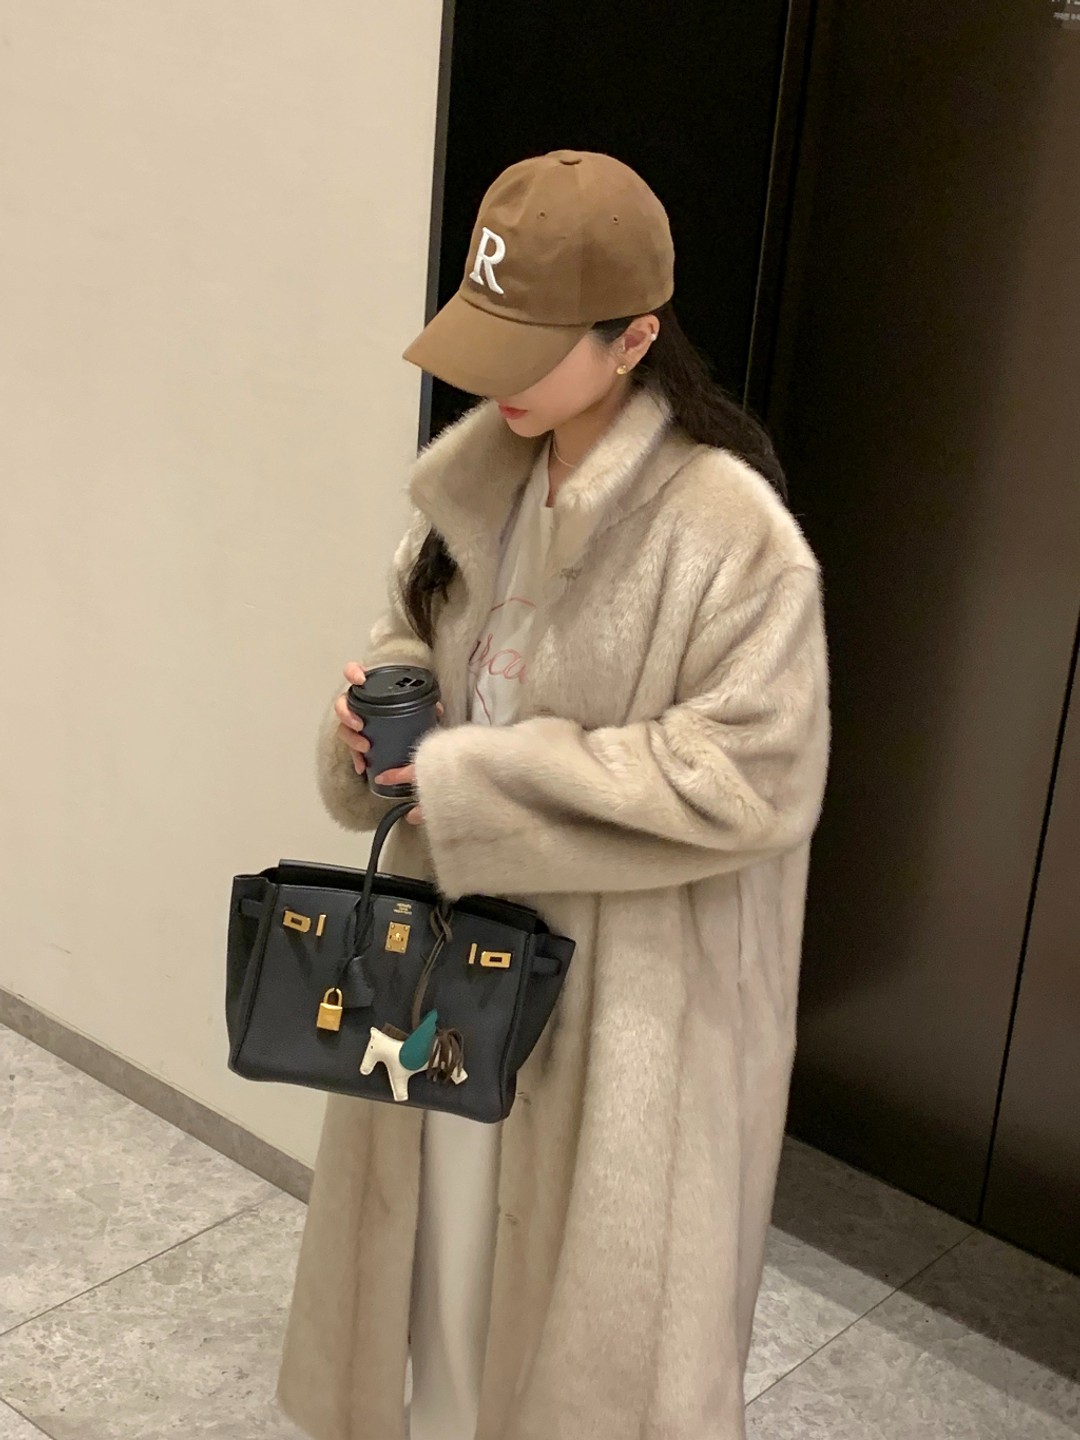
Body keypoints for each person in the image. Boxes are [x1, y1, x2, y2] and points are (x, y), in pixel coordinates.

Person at [275, 149, 830, 1440]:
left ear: (635, 339)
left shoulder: (730, 534)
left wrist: (476, 782)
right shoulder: (477, 488)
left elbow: (745, 777)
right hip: (447, 979)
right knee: (440, 1292)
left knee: (577, 1359)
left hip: (623, 1023)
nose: (499, 383)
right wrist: (373, 727)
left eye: (533, 349)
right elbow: (412, 642)